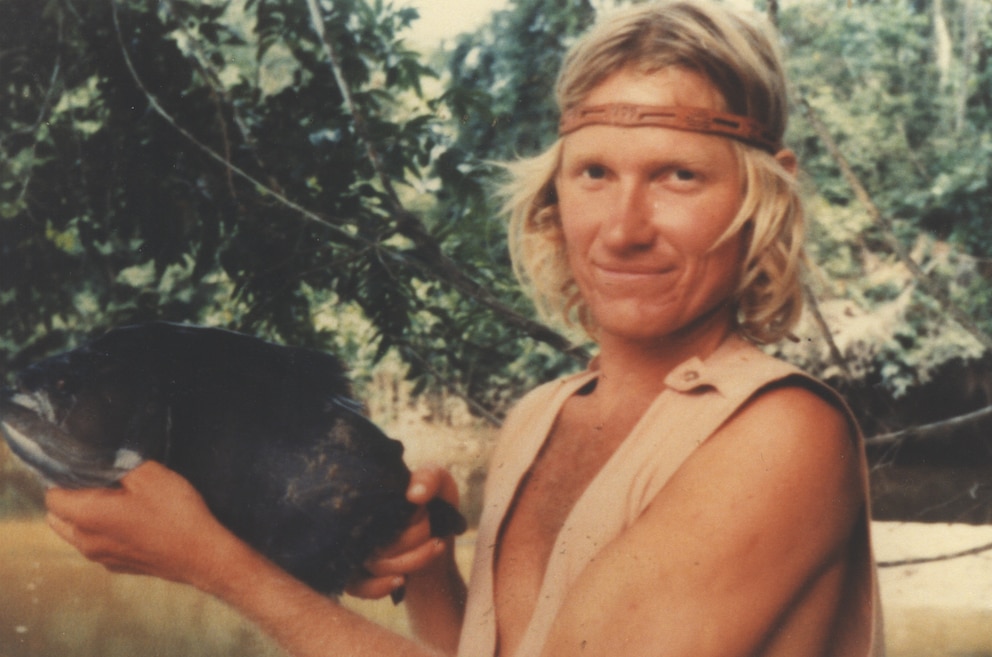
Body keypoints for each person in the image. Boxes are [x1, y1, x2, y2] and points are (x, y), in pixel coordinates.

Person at [44, 1, 883, 656]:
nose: (623, 226)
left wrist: (219, 566)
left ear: (761, 196)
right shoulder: (539, 416)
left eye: (679, 175)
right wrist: (432, 575)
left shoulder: (780, 433)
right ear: (554, 196)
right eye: (595, 172)